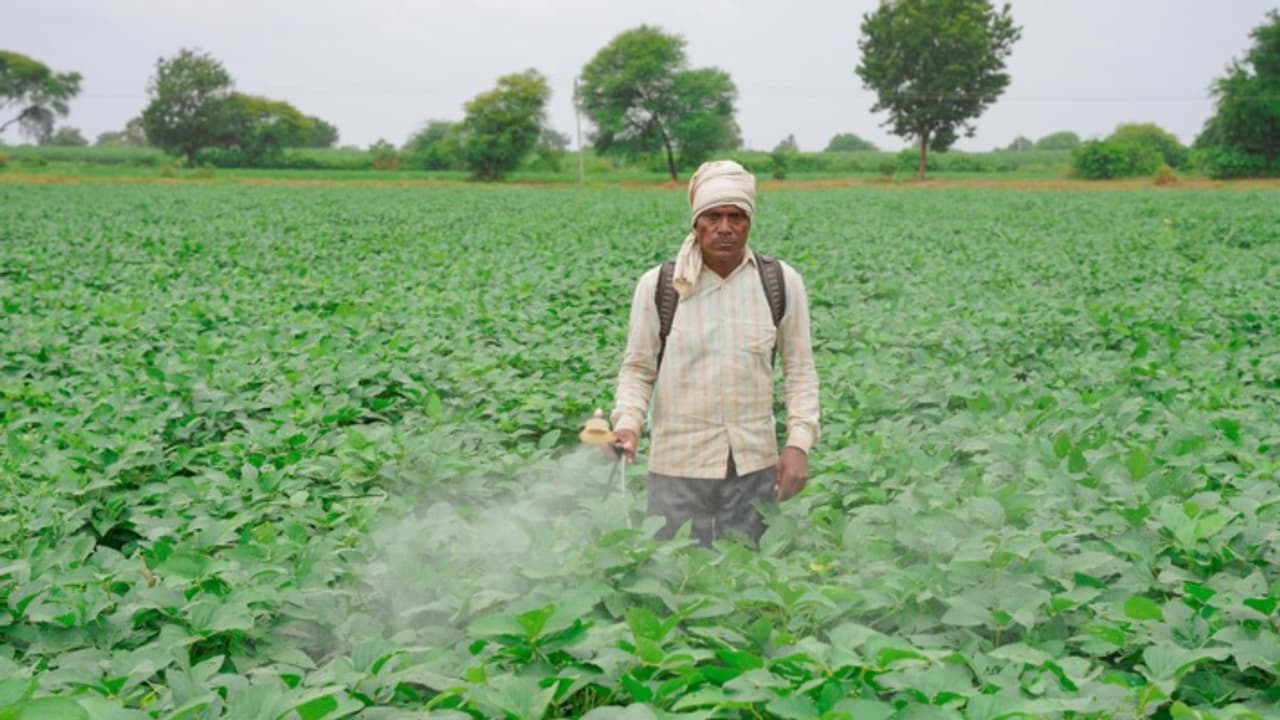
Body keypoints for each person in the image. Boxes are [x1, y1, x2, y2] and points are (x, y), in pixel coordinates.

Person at [610, 160, 820, 546]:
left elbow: (800, 372)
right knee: (673, 579)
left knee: (747, 579)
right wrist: (627, 424)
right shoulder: (661, 285)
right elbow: (638, 370)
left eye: (736, 216)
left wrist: (798, 444)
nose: (724, 228)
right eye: (713, 216)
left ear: (749, 221)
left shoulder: (779, 282)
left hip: (753, 468)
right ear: (696, 222)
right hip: (676, 468)